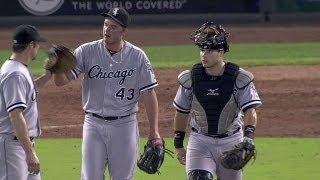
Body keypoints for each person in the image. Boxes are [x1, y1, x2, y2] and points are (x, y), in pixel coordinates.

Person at [51, 7, 162, 180]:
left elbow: (149, 93)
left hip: (124, 126)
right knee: (90, 177)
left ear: (124, 31)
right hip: (93, 125)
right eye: (105, 25)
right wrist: (58, 66)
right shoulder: (86, 51)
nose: (106, 30)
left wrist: (154, 131)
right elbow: (61, 81)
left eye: (113, 27)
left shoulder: (137, 56)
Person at [172, 22, 262, 180]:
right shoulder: (190, 78)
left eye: (209, 50)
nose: (203, 54)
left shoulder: (239, 78)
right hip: (200, 142)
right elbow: (181, 112)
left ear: (221, 52)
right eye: (201, 49)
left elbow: (250, 110)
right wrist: (178, 145)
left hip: (232, 142)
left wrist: (248, 137)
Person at [0, 25, 52, 180]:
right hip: (12, 147)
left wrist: (49, 74)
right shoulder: (15, 73)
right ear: (31, 45)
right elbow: (15, 115)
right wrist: (29, 154)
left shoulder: (17, 68)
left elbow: (28, 91)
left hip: (21, 143)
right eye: (37, 44)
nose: (39, 48)